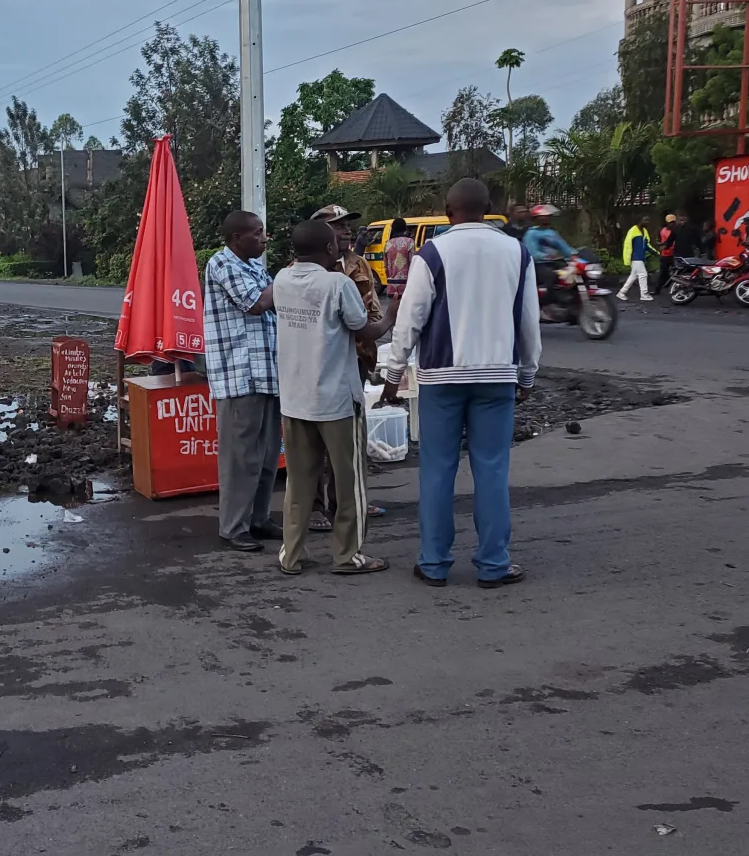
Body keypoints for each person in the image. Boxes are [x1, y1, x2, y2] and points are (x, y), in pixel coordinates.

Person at [380, 178, 542, 589]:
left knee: (437, 470)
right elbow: (529, 323)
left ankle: (433, 564)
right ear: (488, 207)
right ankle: (493, 564)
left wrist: (393, 375)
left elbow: (409, 319)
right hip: (497, 378)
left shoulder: (432, 252)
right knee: (491, 469)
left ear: (447, 211)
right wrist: (527, 375)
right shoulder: (516, 252)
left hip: (441, 379)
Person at [274, 220, 398, 577]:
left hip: (295, 399)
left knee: (299, 482)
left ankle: (291, 554)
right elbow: (365, 330)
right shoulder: (337, 284)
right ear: (329, 249)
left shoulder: (281, 281)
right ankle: (348, 555)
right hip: (336, 402)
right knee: (349, 482)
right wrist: (391, 315)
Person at [203, 211, 281, 553]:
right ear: (237, 238)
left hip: (266, 374)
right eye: (258, 233)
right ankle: (233, 527)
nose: (265, 239)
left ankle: (259, 519)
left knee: (266, 456)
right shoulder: (223, 265)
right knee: (240, 458)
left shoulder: (253, 266)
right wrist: (293, 278)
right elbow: (256, 303)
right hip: (239, 376)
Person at [523, 204, 577, 292]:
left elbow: (563, 247)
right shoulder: (531, 233)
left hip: (556, 262)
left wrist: (574, 254)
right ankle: (548, 299)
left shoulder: (552, 232)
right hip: (539, 264)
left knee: (573, 273)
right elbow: (532, 252)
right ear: (536, 219)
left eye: (548, 216)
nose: (548, 218)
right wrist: (549, 257)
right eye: (544, 216)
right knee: (551, 276)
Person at [617, 217, 654, 302]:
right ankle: (644, 294)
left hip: (640, 257)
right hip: (635, 257)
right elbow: (627, 246)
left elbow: (647, 245)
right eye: (646, 220)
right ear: (640, 221)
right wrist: (627, 258)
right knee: (643, 274)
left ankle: (622, 292)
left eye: (648, 220)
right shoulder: (633, 231)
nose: (648, 222)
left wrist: (656, 252)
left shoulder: (644, 231)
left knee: (633, 276)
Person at [382, 217, 416, 301]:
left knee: (393, 313)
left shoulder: (388, 244)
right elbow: (413, 264)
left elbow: (385, 266)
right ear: (404, 228)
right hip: (406, 286)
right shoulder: (409, 242)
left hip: (391, 287)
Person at [657, 214, 677, 290]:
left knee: (676, 272)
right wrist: (662, 244)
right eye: (670, 222)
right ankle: (658, 289)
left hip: (674, 254)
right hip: (665, 254)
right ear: (666, 222)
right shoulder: (662, 230)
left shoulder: (676, 231)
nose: (672, 224)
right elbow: (657, 241)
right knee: (663, 272)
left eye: (673, 222)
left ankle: (672, 286)